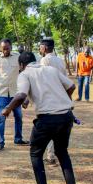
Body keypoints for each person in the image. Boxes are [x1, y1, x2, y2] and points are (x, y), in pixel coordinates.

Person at [1, 51, 80, 184]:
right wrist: (65, 100)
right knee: (62, 152)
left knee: (36, 153)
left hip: (47, 119)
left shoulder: (25, 74)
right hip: (65, 116)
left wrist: (7, 109)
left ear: (21, 65)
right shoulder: (51, 70)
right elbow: (71, 86)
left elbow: (20, 95)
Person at [39, 37, 67, 166]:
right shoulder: (60, 61)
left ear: (44, 48)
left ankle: (51, 155)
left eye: (40, 47)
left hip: (50, 97)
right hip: (61, 96)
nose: (39, 49)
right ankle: (57, 153)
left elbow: (43, 79)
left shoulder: (45, 60)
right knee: (59, 128)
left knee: (49, 127)